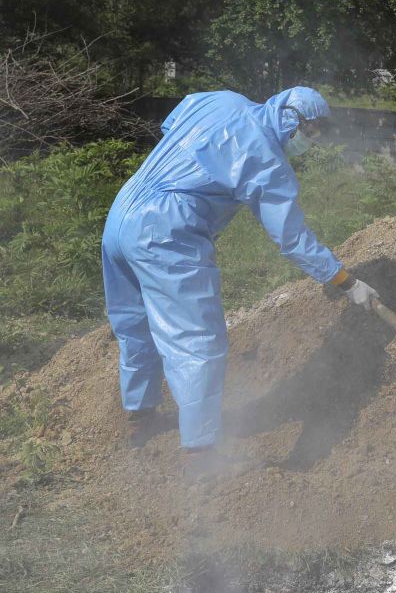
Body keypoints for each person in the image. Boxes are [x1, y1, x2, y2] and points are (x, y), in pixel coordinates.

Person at [101, 87, 379, 473]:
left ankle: (141, 418)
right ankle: (202, 455)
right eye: (310, 132)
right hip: (167, 231)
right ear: (292, 119)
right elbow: (291, 238)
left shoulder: (220, 99)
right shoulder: (266, 159)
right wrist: (343, 280)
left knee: (136, 325)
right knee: (198, 340)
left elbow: (171, 126)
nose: (308, 143)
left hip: (121, 214)